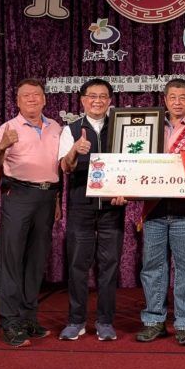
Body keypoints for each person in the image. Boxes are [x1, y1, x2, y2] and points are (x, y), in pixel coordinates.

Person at [136, 78, 185, 347]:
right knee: (153, 267)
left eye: (183, 97)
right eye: (172, 97)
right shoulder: (151, 126)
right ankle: (154, 321)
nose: (177, 102)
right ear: (165, 99)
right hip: (155, 207)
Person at [0, 78, 62, 347]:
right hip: (18, 195)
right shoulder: (7, 128)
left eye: (36, 94)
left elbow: (57, 167)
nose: (32, 99)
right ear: (18, 101)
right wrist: (2, 145)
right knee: (11, 260)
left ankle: (28, 317)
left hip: (48, 197)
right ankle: (9, 322)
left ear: (44, 99)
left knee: (36, 261)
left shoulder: (56, 127)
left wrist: (56, 200)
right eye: (26, 95)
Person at [56, 79, 128, 342]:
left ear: (110, 100)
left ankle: (105, 321)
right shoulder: (71, 130)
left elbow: (131, 164)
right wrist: (75, 150)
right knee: (78, 264)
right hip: (81, 206)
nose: (97, 100)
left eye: (103, 96)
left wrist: (126, 191)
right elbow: (65, 167)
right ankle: (76, 321)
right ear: (83, 100)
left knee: (109, 265)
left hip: (113, 206)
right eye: (92, 96)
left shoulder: (121, 127)